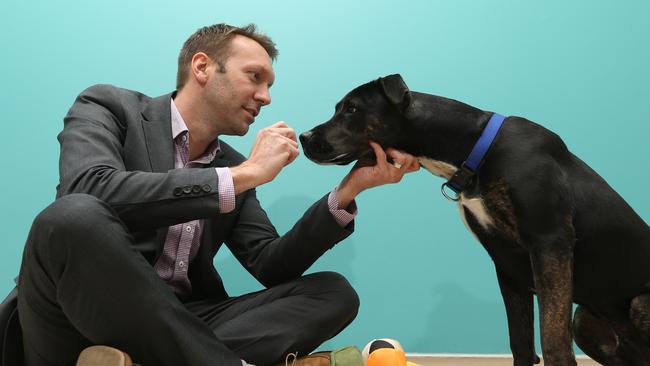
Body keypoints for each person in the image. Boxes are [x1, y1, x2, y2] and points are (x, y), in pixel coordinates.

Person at [15, 23, 420, 366]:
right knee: (72, 216)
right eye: (255, 77)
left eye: (269, 84)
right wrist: (242, 176)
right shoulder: (108, 106)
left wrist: (350, 189)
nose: (266, 96)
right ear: (203, 67)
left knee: (333, 292)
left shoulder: (232, 163)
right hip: (80, 319)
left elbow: (269, 264)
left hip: (186, 318)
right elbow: (89, 187)